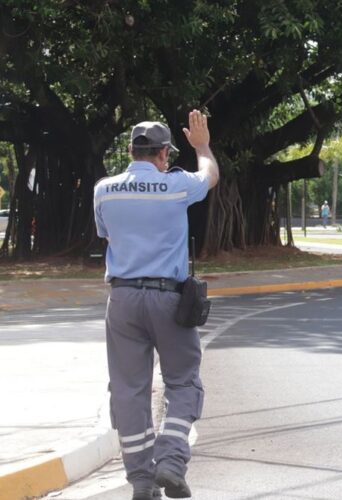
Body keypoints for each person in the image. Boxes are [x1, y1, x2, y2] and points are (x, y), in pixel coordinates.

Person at [93, 110, 219, 500]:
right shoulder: (177, 185)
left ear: (130, 150)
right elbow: (210, 175)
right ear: (165, 154)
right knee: (182, 381)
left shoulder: (104, 190)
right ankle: (171, 460)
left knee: (129, 390)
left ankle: (142, 482)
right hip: (169, 298)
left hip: (123, 299)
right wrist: (202, 146)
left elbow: (106, 236)